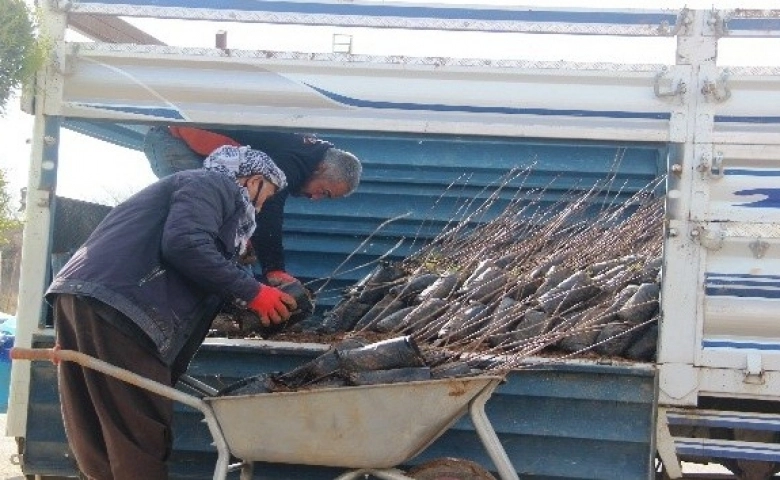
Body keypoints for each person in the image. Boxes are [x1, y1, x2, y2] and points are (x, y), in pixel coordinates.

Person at [45, 145, 298, 480]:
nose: (263, 206)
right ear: (253, 180)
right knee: (139, 430)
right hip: (121, 304)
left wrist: (244, 295)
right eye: (268, 194)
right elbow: (185, 244)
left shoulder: (195, 192)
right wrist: (254, 292)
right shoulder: (215, 185)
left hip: (86, 297)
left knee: (97, 432)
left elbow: (197, 262)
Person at [143, 125, 362, 286]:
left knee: (228, 235)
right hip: (175, 137)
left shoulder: (306, 153)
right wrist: (274, 268)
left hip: (193, 147)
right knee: (197, 218)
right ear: (322, 168)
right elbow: (269, 209)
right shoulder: (297, 160)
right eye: (323, 192)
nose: (315, 198)